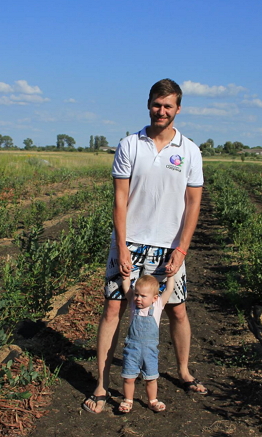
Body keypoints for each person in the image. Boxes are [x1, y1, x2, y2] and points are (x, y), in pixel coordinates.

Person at [82, 78, 206, 415]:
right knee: (113, 308)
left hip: (169, 247)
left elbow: (193, 204)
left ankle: (183, 371)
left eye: (168, 106)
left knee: (177, 309)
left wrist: (181, 250)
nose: (161, 111)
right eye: (156, 104)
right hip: (131, 243)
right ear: (148, 105)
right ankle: (101, 385)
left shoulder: (189, 150)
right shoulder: (129, 145)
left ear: (178, 109)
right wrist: (121, 247)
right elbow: (119, 200)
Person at [118, 274, 175, 413]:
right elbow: (126, 286)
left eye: (143, 296)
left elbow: (169, 289)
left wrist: (171, 276)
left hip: (150, 350)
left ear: (154, 298)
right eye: (137, 294)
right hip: (132, 349)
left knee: (151, 378)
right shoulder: (132, 303)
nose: (138, 298)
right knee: (129, 378)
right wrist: (126, 274)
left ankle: (152, 400)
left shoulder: (157, 305)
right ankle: (128, 400)